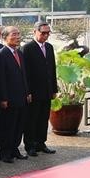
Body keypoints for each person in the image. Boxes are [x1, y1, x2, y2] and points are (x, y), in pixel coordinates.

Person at [0, 27, 31, 163]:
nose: (17, 37)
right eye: (14, 34)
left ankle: (15, 149)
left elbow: (24, 75)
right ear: (5, 37)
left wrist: (27, 92)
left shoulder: (19, 53)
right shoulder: (1, 55)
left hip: (21, 96)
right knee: (8, 127)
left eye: (18, 34)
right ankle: (5, 153)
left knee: (18, 126)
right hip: (9, 98)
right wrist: (3, 98)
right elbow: (1, 79)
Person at [22, 21, 58, 156]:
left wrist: (54, 89)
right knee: (32, 119)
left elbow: (52, 69)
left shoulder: (49, 47)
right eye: (43, 33)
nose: (46, 35)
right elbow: (25, 73)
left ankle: (41, 142)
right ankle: (30, 145)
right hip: (34, 91)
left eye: (48, 33)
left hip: (47, 90)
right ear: (35, 32)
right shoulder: (27, 48)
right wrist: (28, 91)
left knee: (43, 118)